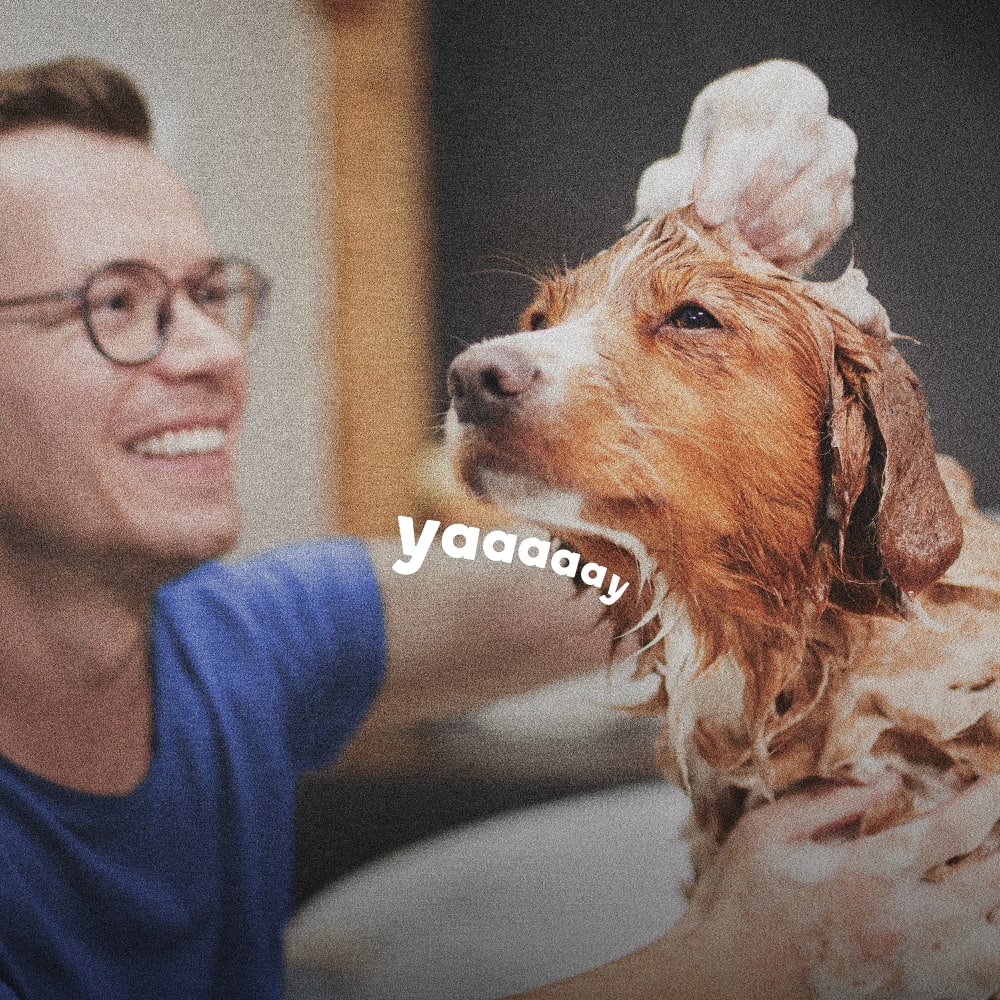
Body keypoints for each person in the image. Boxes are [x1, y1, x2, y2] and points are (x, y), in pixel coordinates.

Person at [0, 55, 997, 1000]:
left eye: (210, 293)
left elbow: (594, 571)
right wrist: (717, 964)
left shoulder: (235, 644)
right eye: (116, 303)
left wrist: (707, 376)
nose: (214, 351)